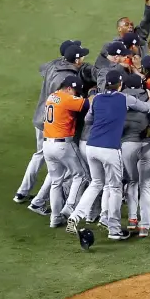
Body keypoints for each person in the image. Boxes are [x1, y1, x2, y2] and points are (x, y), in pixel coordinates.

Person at [66, 70, 150, 240]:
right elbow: (146, 108)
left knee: (96, 183)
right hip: (110, 149)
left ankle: (75, 217)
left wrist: (104, 118)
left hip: (92, 146)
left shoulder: (97, 99)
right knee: (116, 188)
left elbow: (88, 120)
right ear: (121, 85)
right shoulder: (124, 98)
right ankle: (114, 229)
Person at [16, 42, 92, 216]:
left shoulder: (54, 67)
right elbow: (84, 104)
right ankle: (65, 208)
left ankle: (28, 195)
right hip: (56, 127)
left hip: (44, 119)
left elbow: (42, 68)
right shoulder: (64, 86)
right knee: (74, 171)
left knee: (47, 162)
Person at [41, 75, 90, 228]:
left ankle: (55, 219)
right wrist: (93, 93)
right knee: (81, 175)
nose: (76, 94)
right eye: (75, 91)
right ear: (69, 88)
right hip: (63, 145)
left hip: (47, 145)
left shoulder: (52, 96)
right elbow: (89, 104)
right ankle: (69, 208)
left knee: (56, 182)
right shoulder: (66, 98)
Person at [120, 74, 150, 237]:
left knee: (132, 182)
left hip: (128, 144)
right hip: (147, 145)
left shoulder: (120, 99)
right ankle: (145, 227)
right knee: (146, 186)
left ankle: (132, 219)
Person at [95, 0, 150, 68]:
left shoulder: (139, 35)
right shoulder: (114, 48)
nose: (130, 26)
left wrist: (148, 2)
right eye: (126, 25)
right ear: (119, 29)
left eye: (131, 24)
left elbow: (147, 21)